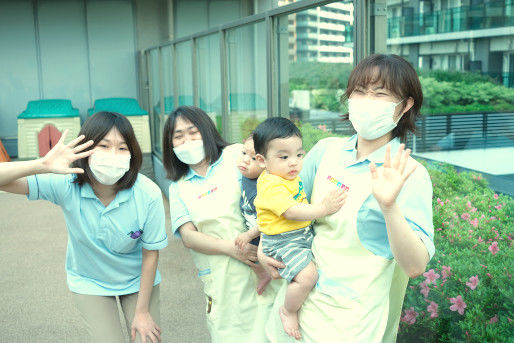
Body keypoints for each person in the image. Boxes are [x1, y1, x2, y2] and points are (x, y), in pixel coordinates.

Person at [259, 54, 435, 343]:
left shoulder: (411, 174)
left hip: (349, 323)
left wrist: (389, 207)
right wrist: (263, 247)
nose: (367, 101)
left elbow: (415, 266)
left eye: (380, 94)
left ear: (405, 105)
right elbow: (281, 205)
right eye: (360, 91)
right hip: (294, 306)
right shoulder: (325, 151)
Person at [0, 111, 168, 343]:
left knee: (147, 339)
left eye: (122, 148)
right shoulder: (67, 183)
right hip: (91, 281)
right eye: (104, 145)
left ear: (132, 154)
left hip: (136, 280)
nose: (113, 155)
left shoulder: (148, 193)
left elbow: (151, 255)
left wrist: (141, 313)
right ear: (85, 149)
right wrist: (43, 164)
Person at [163, 106, 280, 343]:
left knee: (275, 330)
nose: (187, 140)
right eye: (179, 136)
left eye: (192, 132)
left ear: (206, 130)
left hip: (266, 263)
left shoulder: (236, 155)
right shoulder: (179, 187)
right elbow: (188, 236)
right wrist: (232, 248)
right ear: (170, 144)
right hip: (223, 277)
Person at [252, 117, 346, 340]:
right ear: (262, 160)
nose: (293, 162)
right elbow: (291, 211)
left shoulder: (285, 176)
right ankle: (289, 310)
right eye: (284, 157)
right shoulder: (271, 184)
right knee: (307, 276)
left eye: (299, 155)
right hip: (283, 240)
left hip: (296, 235)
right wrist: (323, 208)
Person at [234, 134, 272, 295]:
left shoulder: (263, 185)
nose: (245, 160)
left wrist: (249, 234)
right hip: (253, 228)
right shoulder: (245, 176)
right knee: (248, 254)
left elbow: (268, 219)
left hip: (264, 233)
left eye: (254, 158)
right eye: (243, 153)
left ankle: (265, 274)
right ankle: (262, 274)